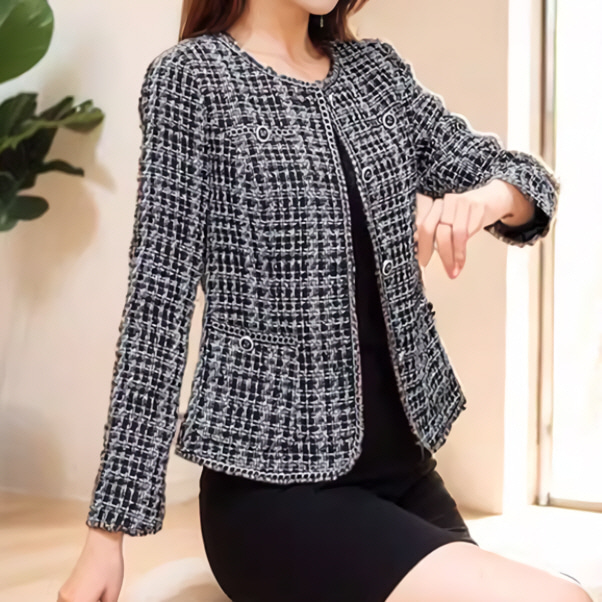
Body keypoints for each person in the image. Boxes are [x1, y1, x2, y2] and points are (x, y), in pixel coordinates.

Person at [58, 1, 592, 601]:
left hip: (406, 479)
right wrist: (106, 536)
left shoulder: (376, 73)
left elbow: (529, 181)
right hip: (276, 495)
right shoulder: (193, 80)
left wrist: (487, 199)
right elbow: (156, 309)